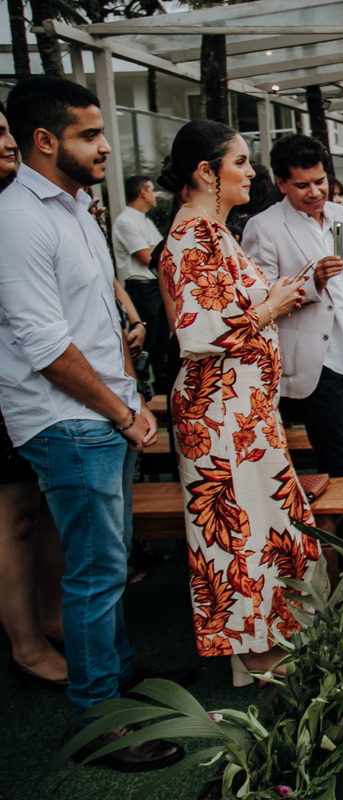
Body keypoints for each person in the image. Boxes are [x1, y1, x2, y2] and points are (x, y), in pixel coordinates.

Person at [0, 76, 183, 770]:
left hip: (106, 408)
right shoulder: (17, 218)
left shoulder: (76, 206)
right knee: (95, 572)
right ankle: (100, 722)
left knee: (112, 560)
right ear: (44, 140)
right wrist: (123, 413)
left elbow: (92, 312)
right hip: (68, 420)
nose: (106, 146)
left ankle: (119, 674)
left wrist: (129, 372)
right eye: (90, 134)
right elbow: (45, 347)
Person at [159, 120, 319, 683]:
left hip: (245, 412)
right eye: (241, 162)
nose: (252, 172)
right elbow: (201, 331)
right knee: (236, 532)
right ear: (206, 172)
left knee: (268, 522)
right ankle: (253, 653)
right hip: (219, 416)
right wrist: (273, 306)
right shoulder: (191, 237)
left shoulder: (217, 231)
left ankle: (276, 632)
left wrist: (272, 298)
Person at [243, 135, 343, 478]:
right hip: (316, 361)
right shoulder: (263, 227)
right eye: (302, 185)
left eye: (320, 181)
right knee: (339, 462)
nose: (315, 192)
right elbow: (261, 302)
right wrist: (312, 283)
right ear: (281, 183)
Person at [0, 99, 67, 694]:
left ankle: (51, 618)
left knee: (44, 509)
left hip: (43, 386)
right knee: (15, 514)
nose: (5, 141)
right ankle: (25, 645)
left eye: (4, 129)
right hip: (14, 381)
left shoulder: (38, 202)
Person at [112, 174, 169, 392]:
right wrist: (158, 251)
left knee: (162, 343)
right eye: (151, 189)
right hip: (141, 289)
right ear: (143, 192)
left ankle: (163, 390)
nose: (155, 195)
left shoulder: (145, 220)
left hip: (156, 286)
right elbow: (147, 256)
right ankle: (141, 391)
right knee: (146, 345)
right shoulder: (126, 221)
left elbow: (163, 253)